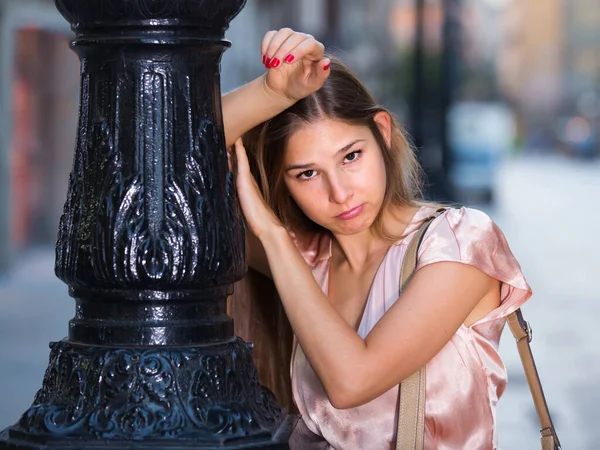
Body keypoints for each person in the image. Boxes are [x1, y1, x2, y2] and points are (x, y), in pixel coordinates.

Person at [222, 28, 531, 450]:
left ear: (381, 132)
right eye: (307, 173)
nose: (339, 192)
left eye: (351, 156)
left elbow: (351, 381)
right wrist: (271, 93)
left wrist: (272, 234)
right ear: (285, 184)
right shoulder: (307, 259)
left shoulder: (458, 244)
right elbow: (173, 153)